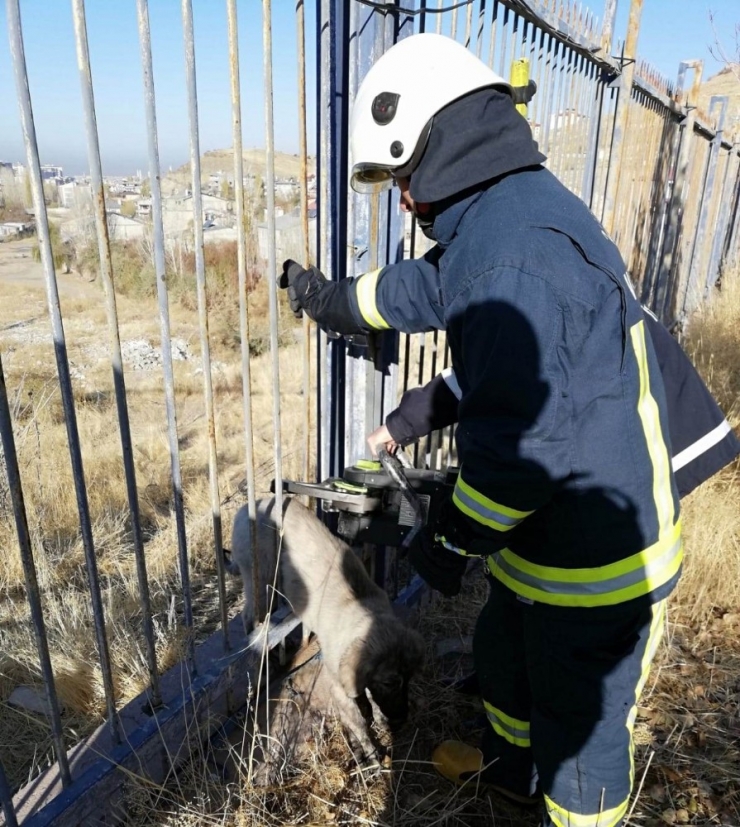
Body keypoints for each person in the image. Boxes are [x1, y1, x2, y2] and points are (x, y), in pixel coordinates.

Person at [278, 32, 737, 826]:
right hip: (545, 549)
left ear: (443, 141)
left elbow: (520, 457)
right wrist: (331, 300)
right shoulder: (501, 220)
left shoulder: (512, 260)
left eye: (404, 177)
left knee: (581, 735)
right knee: (506, 664)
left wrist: (448, 541)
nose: (403, 200)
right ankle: (512, 778)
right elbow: (422, 288)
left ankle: (570, 810)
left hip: (599, 570)